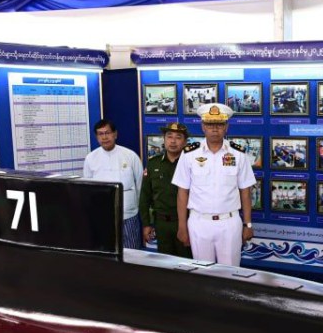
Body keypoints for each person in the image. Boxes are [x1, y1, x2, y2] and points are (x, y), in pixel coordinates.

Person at [173, 103, 256, 266]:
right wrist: (182, 226)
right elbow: (182, 192)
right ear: (203, 126)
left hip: (229, 223)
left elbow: (245, 191)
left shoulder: (238, 153)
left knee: (230, 272)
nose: (215, 129)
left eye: (219, 124)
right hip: (199, 222)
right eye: (210, 124)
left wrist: (248, 224)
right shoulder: (189, 154)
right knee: (202, 271)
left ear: (226, 127)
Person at [82, 118, 143, 248]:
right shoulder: (90, 158)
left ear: (115, 134)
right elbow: (88, 189)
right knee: (106, 252)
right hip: (102, 217)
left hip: (128, 216)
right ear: (96, 137)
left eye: (107, 133)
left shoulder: (130, 155)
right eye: (100, 134)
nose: (104, 137)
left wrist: (136, 207)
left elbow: (140, 185)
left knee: (133, 252)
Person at [139, 122, 192, 258]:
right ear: (164, 139)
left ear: (185, 142)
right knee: (165, 263)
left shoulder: (191, 164)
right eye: (169, 136)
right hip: (161, 224)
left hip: (186, 222)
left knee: (187, 263)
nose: (173, 141)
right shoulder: (153, 164)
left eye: (178, 137)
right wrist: (146, 224)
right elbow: (145, 196)